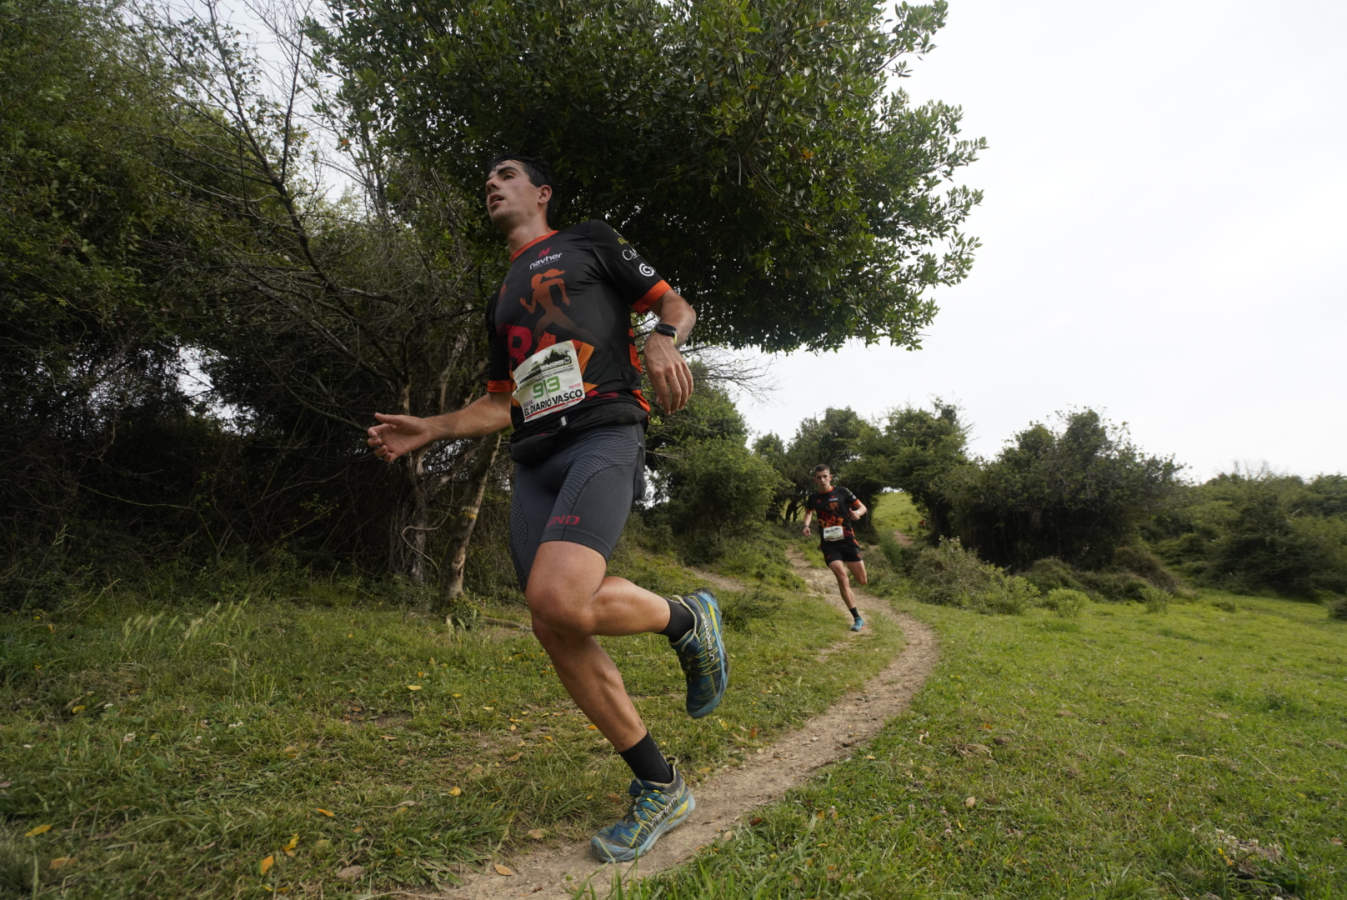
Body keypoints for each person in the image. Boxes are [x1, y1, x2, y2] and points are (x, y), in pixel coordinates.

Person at [366, 156, 728, 862]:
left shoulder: (589, 240)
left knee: (556, 598)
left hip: (603, 431)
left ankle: (688, 618)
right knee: (553, 620)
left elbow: (673, 304)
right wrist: (432, 426)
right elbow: (502, 401)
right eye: (485, 182)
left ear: (540, 192)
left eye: (505, 175)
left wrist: (661, 338)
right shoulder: (501, 295)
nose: (492, 186)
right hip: (535, 458)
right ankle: (659, 784)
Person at [800, 463, 869, 631]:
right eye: (819, 477)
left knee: (862, 580)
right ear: (815, 480)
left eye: (825, 476)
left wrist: (857, 514)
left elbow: (862, 507)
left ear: (830, 477)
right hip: (829, 545)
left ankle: (850, 587)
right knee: (841, 576)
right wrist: (806, 525)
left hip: (847, 541)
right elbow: (809, 512)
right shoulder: (813, 498)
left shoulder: (842, 492)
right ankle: (857, 618)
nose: (822, 480)